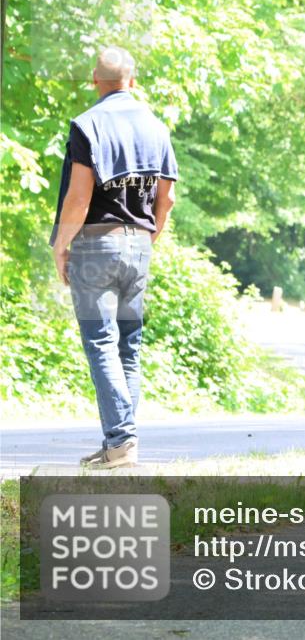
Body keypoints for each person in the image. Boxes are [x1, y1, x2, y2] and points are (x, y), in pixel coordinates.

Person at [50, 46, 178, 469]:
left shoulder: (87, 125)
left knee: (101, 342)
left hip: (96, 244)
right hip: (139, 245)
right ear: (132, 81)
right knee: (129, 345)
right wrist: (149, 236)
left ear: (94, 81)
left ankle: (121, 441)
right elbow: (168, 197)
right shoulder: (157, 127)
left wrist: (60, 245)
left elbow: (79, 196)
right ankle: (117, 443)